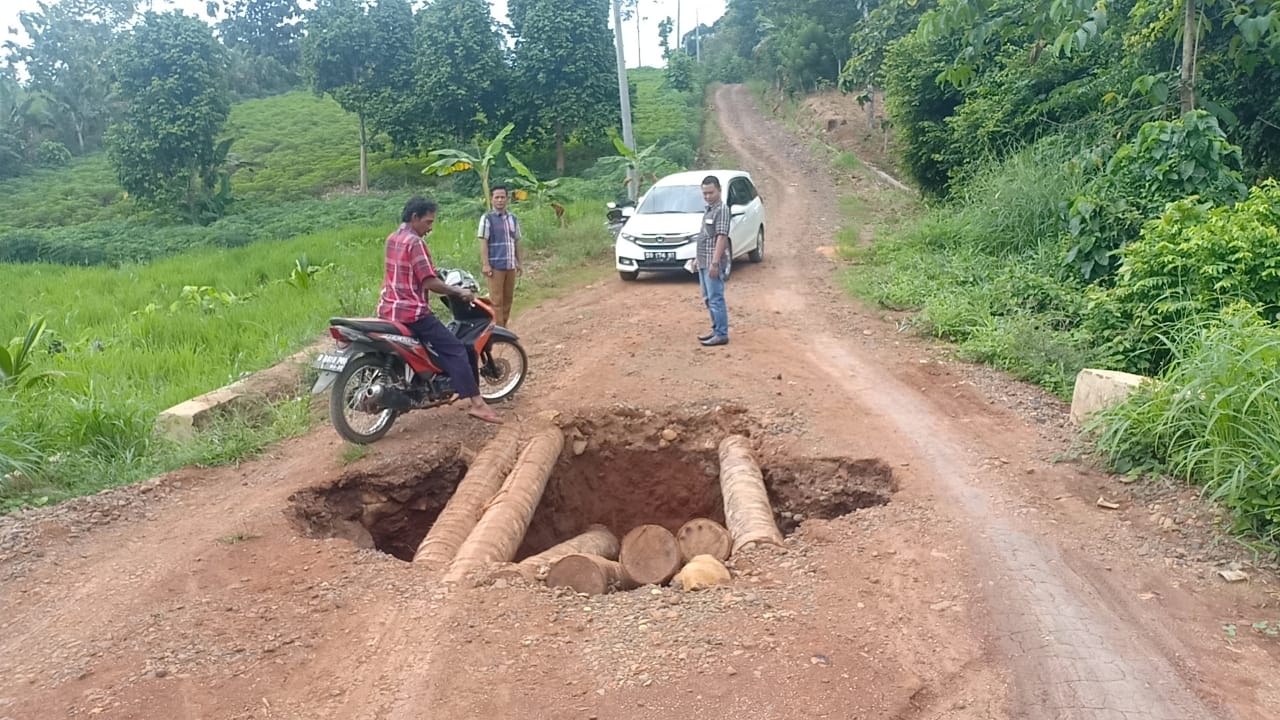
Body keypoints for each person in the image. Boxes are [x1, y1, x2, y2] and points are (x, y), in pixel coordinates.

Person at [377, 196, 502, 424]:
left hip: (388, 309)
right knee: (456, 349)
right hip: (412, 313)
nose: (429, 228)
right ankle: (477, 404)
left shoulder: (392, 238)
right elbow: (429, 283)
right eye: (428, 222)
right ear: (414, 218)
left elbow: (412, 273)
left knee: (432, 347)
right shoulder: (415, 243)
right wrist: (458, 291)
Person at [478, 184, 523, 327]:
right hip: (495, 266)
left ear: (507, 199)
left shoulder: (513, 219)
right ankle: (498, 330)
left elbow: (516, 241)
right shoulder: (487, 218)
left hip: (510, 265)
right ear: (491, 199)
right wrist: (485, 264)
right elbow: (483, 241)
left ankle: (503, 327)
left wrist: (519, 262)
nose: (500, 200)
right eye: (497, 197)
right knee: (496, 300)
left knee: (508, 298)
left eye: (502, 197)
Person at [694, 175, 731, 347]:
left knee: (716, 298)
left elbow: (721, 237)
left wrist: (715, 263)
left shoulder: (721, 210)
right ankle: (716, 329)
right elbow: (705, 236)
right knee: (708, 298)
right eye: (705, 193)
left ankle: (721, 334)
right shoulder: (709, 209)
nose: (708, 196)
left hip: (712, 262)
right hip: (703, 261)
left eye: (711, 192)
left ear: (719, 190)